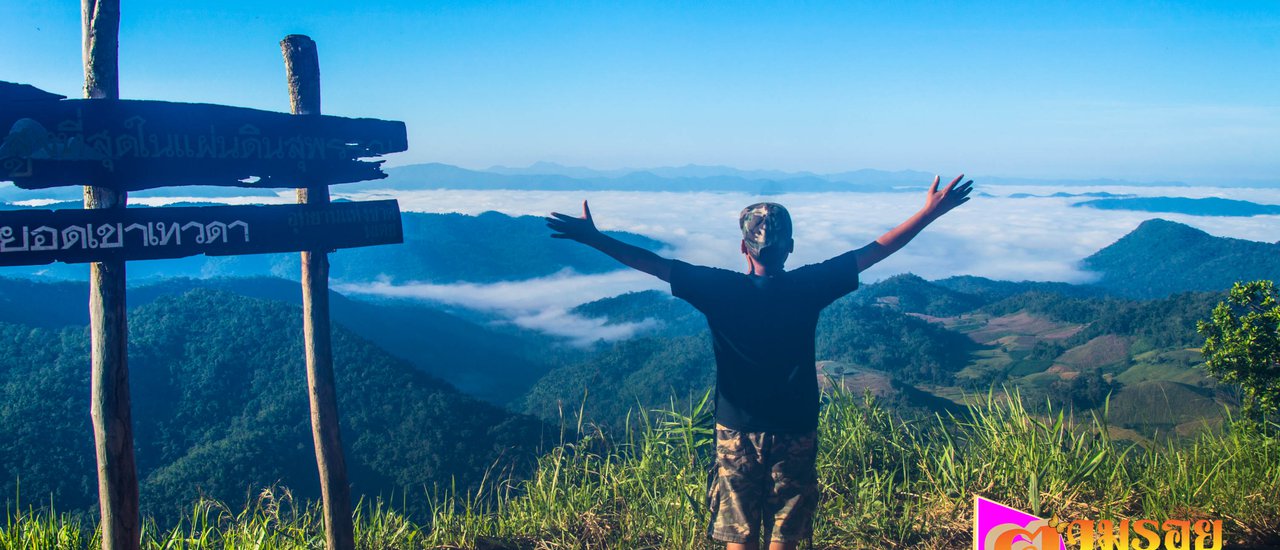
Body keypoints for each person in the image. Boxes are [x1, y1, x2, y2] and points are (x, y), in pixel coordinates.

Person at [545, 174, 973, 550]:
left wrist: (594, 238)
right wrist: (930, 212)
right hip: (796, 429)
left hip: (736, 431)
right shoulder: (810, 286)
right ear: (790, 247)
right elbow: (876, 250)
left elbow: (653, 264)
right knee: (785, 534)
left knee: (739, 534)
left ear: (742, 247)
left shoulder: (718, 288)